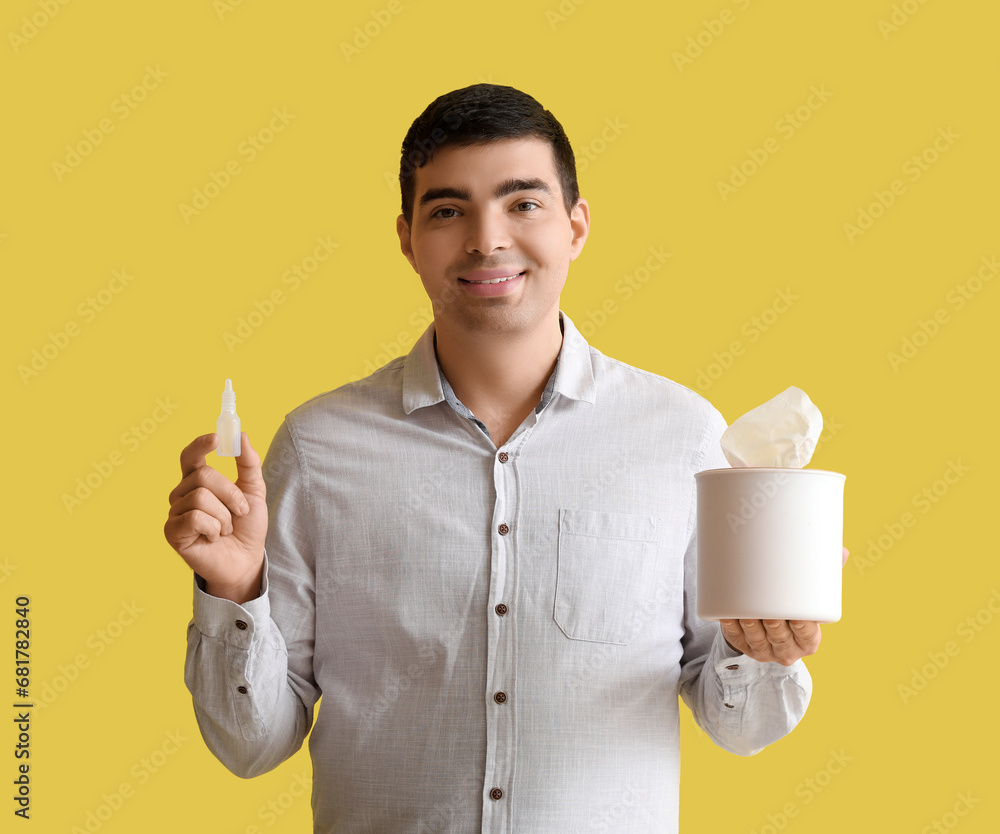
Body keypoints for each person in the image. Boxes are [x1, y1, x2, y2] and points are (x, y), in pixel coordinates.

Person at [165, 83, 846, 833]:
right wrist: (235, 592)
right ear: (406, 237)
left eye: (523, 203)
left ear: (577, 226)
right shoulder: (320, 446)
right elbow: (251, 746)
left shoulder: (682, 436)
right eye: (449, 210)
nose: (487, 240)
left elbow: (740, 726)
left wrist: (766, 651)